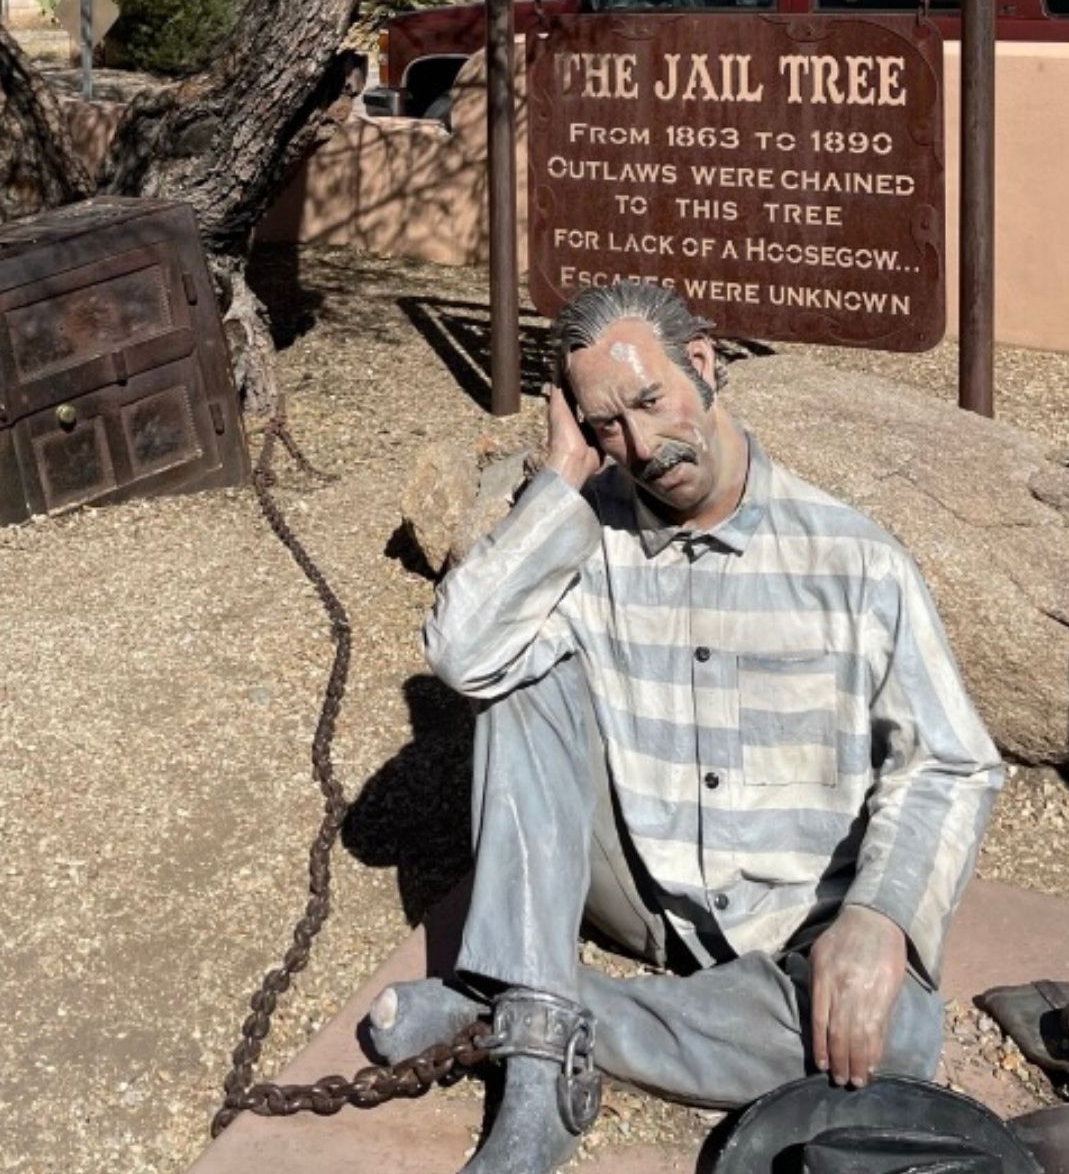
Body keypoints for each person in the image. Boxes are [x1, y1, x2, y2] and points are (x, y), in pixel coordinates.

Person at [365, 283, 1005, 1174]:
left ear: (703, 366)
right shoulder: (588, 538)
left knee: (895, 1035)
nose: (640, 446)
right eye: (605, 426)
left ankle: (520, 1010)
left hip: (792, 925)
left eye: (649, 399)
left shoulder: (854, 558)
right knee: (518, 674)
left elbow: (950, 760)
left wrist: (880, 916)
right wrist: (557, 476)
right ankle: (540, 1065)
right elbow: (463, 653)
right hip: (640, 879)